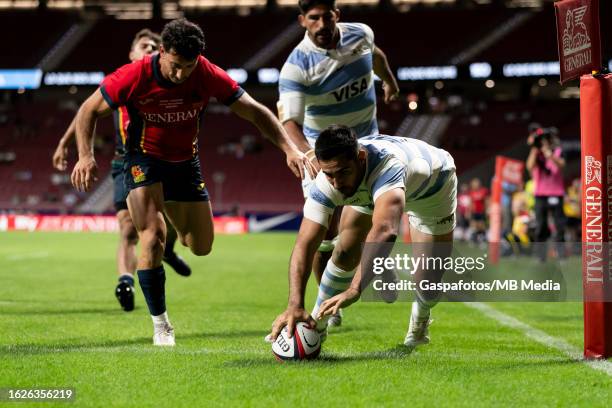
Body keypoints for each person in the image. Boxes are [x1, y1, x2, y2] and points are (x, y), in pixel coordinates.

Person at [71, 18, 314, 346]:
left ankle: (166, 217)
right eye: (175, 66)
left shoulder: (206, 73)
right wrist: (85, 155)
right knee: (151, 235)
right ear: (161, 52)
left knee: (200, 246)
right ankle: (161, 325)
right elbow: (88, 110)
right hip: (143, 159)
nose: (181, 74)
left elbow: (255, 111)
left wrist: (289, 148)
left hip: (185, 164)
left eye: (188, 66)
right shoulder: (134, 75)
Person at [269, 125, 457, 350]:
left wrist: (355, 288)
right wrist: (295, 304)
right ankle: (317, 325)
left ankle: (420, 318)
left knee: (427, 282)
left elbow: (386, 230)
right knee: (345, 252)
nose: (336, 183)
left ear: (360, 157)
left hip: (433, 189)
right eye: (329, 174)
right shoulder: (328, 181)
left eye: (342, 172)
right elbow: (305, 243)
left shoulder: (388, 167)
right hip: (370, 190)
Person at [277, 0, 400, 326]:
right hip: (323, 155)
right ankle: (330, 299)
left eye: (326, 16)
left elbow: (377, 56)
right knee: (323, 234)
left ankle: (330, 298)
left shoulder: (361, 34)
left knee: (364, 223)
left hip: (367, 149)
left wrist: (389, 80)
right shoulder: (296, 66)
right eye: (313, 18)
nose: (321, 24)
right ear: (303, 20)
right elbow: (289, 122)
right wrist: (309, 155)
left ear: (337, 16)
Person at [52, 29, 192, 313]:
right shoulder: (123, 81)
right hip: (125, 163)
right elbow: (87, 110)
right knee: (129, 229)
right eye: (144, 45)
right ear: (132, 54)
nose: (150, 47)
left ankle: (168, 251)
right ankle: (125, 281)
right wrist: (66, 143)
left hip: (165, 160)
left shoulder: (167, 81)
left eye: (154, 44)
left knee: (174, 223)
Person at [526, 126, 566, 261]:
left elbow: (561, 165)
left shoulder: (558, 151)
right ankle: (541, 256)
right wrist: (535, 150)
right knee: (541, 225)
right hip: (540, 194)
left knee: (559, 225)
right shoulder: (536, 153)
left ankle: (561, 255)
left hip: (556, 192)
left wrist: (549, 154)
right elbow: (529, 167)